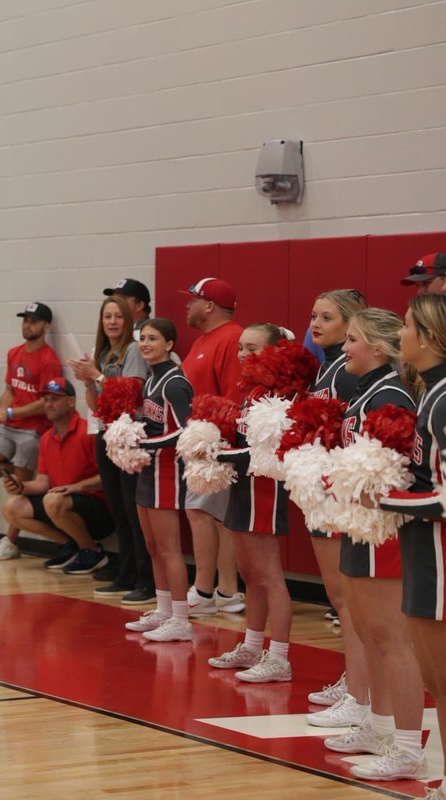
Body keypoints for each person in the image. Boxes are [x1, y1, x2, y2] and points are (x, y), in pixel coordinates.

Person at [321, 308, 427, 781]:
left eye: (354, 340)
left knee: (392, 639)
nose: (344, 348)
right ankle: (377, 724)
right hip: (357, 523)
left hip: (383, 530)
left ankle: (406, 747)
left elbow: (401, 469)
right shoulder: (365, 392)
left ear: (379, 349)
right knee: (369, 632)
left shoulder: (390, 395)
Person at [377, 294, 446, 799]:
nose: (399, 335)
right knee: (443, 686)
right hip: (425, 553)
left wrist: (383, 497)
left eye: (405, 327)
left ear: (427, 338)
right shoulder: (435, 392)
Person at [206, 324, 296, 682]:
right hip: (243, 488)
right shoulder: (252, 391)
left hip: (265, 491)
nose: (243, 355)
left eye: (253, 348)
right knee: (249, 574)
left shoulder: (281, 394)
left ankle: (280, 658)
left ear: (274, 352)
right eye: (241, 348)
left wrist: (221, 454)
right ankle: (252, 645)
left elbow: (267, 452)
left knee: (269, 575)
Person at [302, 288, 372, 730]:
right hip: (321, 492)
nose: (316, 323)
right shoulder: (327, 369)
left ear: (351, 325)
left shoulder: (347, 376)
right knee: (339, 598)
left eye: (326, 317)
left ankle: (359, 694)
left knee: (347, 601)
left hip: (339, 497)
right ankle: (355, 679)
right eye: (313, 315)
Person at [70, 295, 152, 601]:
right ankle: (125, 573)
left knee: (134, 511)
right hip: (107, 433)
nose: (113, 322)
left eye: (118, 316)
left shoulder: (133, 350)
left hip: (130, 436)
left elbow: (131, 393)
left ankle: (146, 580)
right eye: (108, 317)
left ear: (127, 320)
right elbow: (97, 406)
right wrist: (88, 382)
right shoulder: (102, 354)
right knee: (118, 510)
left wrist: (98, 376)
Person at [0, 301, 61, 561]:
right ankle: (13, 470)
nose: (27, 325)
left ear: (46, 326)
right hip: (9, 427)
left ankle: (10, 542)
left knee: (17, 490)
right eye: (25, 320)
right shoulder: (14, 353)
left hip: (32, 431)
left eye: (33, 321)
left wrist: (10, 413)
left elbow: (46, 403)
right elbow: (10, 389)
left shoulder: (49, 360)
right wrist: (1, 412)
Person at [124, 318, 195, 642]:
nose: (146, 343)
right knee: (152, 546)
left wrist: (145, 444)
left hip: (168, 473)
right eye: (143, 338)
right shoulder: (151, 379)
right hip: (148, 471)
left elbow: (185, 430)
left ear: (169, 344)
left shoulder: (175, 382)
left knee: (169, 548)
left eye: (153, 338)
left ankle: (181, 618)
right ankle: (164, 610)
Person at [177, 278, 244, 617]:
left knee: (203, 512)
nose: (186, 306)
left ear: (209, 305)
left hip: (216, 442)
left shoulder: (231, 337)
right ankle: (226, 591)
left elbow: (233, 394)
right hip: (200, 440)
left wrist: (219, 444)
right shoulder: (204, 339)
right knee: (215, 517)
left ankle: (204, 590)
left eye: (192, 300)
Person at [0, 373, 114, 574]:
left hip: (98, 510)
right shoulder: (46, 438)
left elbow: (109, 478)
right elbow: (43, 483)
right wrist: (21, 486)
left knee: (53, 499)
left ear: (71, 402)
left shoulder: (88, 432)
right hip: (60, 503)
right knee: (12, 507)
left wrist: (76, 487)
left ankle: (93, 551)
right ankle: (71, 546)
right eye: (46, 400)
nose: (49, 404)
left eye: (55, 399)